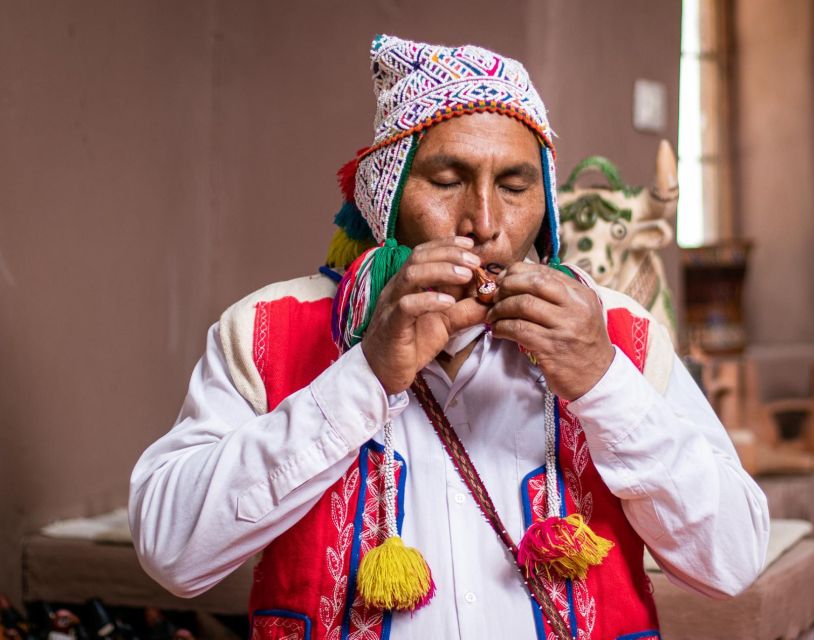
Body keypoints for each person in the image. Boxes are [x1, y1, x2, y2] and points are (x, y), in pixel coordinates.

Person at [129, 35, 769, 640]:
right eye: (446, 181)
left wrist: (603, 384)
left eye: (516, 187)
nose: (484, 223)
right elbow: (172, 552)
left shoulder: (618, 336)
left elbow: (732, 561)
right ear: (387, 197)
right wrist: (367, 376)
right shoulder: (269, 330)